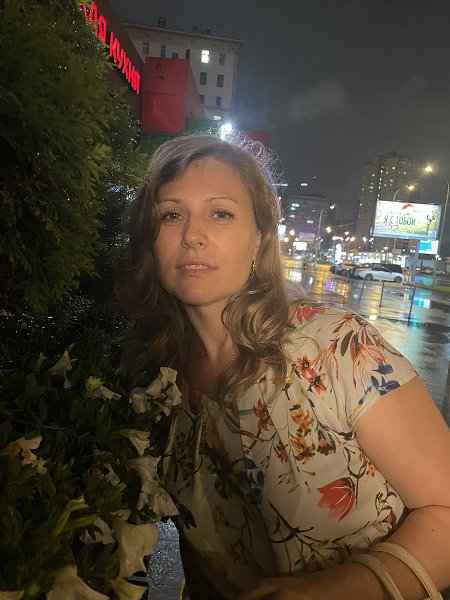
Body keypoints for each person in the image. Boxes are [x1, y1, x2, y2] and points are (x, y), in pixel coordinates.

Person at [117, 132, 450, 600]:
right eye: (171, 215)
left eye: (221, 213)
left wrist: (328, 591)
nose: (192, 235)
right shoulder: (153, 375)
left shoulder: (338, 347)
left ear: (260, 239)